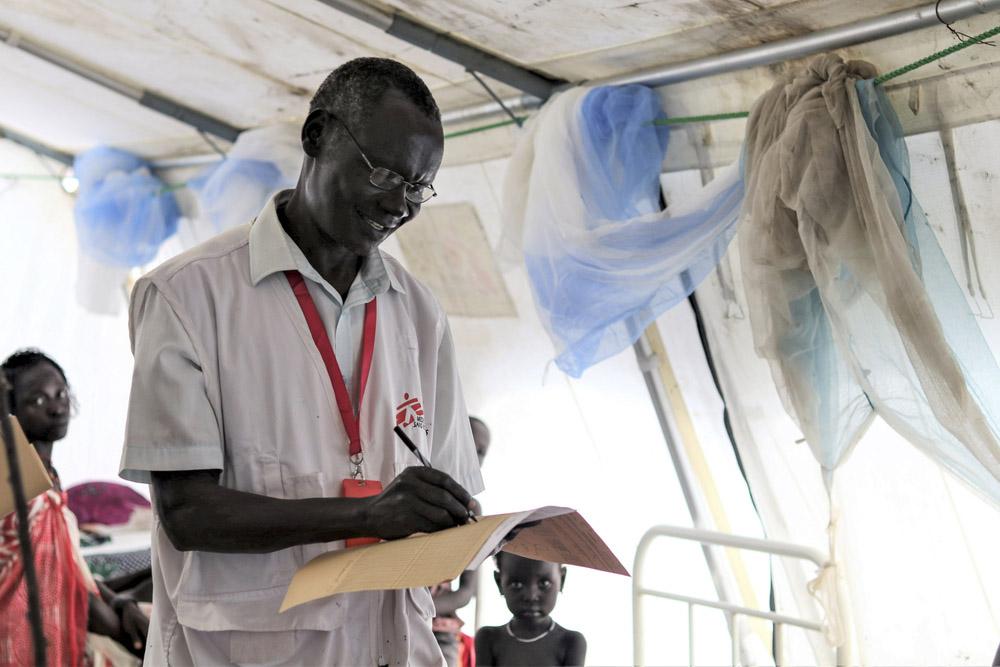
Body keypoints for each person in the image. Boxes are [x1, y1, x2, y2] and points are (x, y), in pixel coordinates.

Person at [119, 57, 484, 665]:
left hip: (393, 646)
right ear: (317, 137)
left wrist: (461, 524)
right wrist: (369, 512)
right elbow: (186, 514)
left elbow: (452, 479)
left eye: (420, 186)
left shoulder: (417, 311)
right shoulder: (189, 295)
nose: (401, 203)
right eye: (385, 173)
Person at [1, 349, 147, 666]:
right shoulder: (26, 492)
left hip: (63, 617)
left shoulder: (47, 478)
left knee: (156, 575)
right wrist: (133, 639)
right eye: (38, 400)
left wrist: (122, 603)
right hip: (28, 639)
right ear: (9, 410)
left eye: (61, 393)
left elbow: (72, 570)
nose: (56, 407)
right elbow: (59, 585)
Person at [432, 416, 492, 667]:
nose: (475, 456)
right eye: (470, 444)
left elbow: (466, 592)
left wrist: (422, 608)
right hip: (395, 618)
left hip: (440, 628)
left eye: (481, 451)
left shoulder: (471, 511)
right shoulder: (413, 495)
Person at [475, 553, 586, 667]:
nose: (531, 596)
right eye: (516, 584)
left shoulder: (570, 642)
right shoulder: (488, 638)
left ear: (562, 579)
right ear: (499, 582)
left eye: (544, 583)